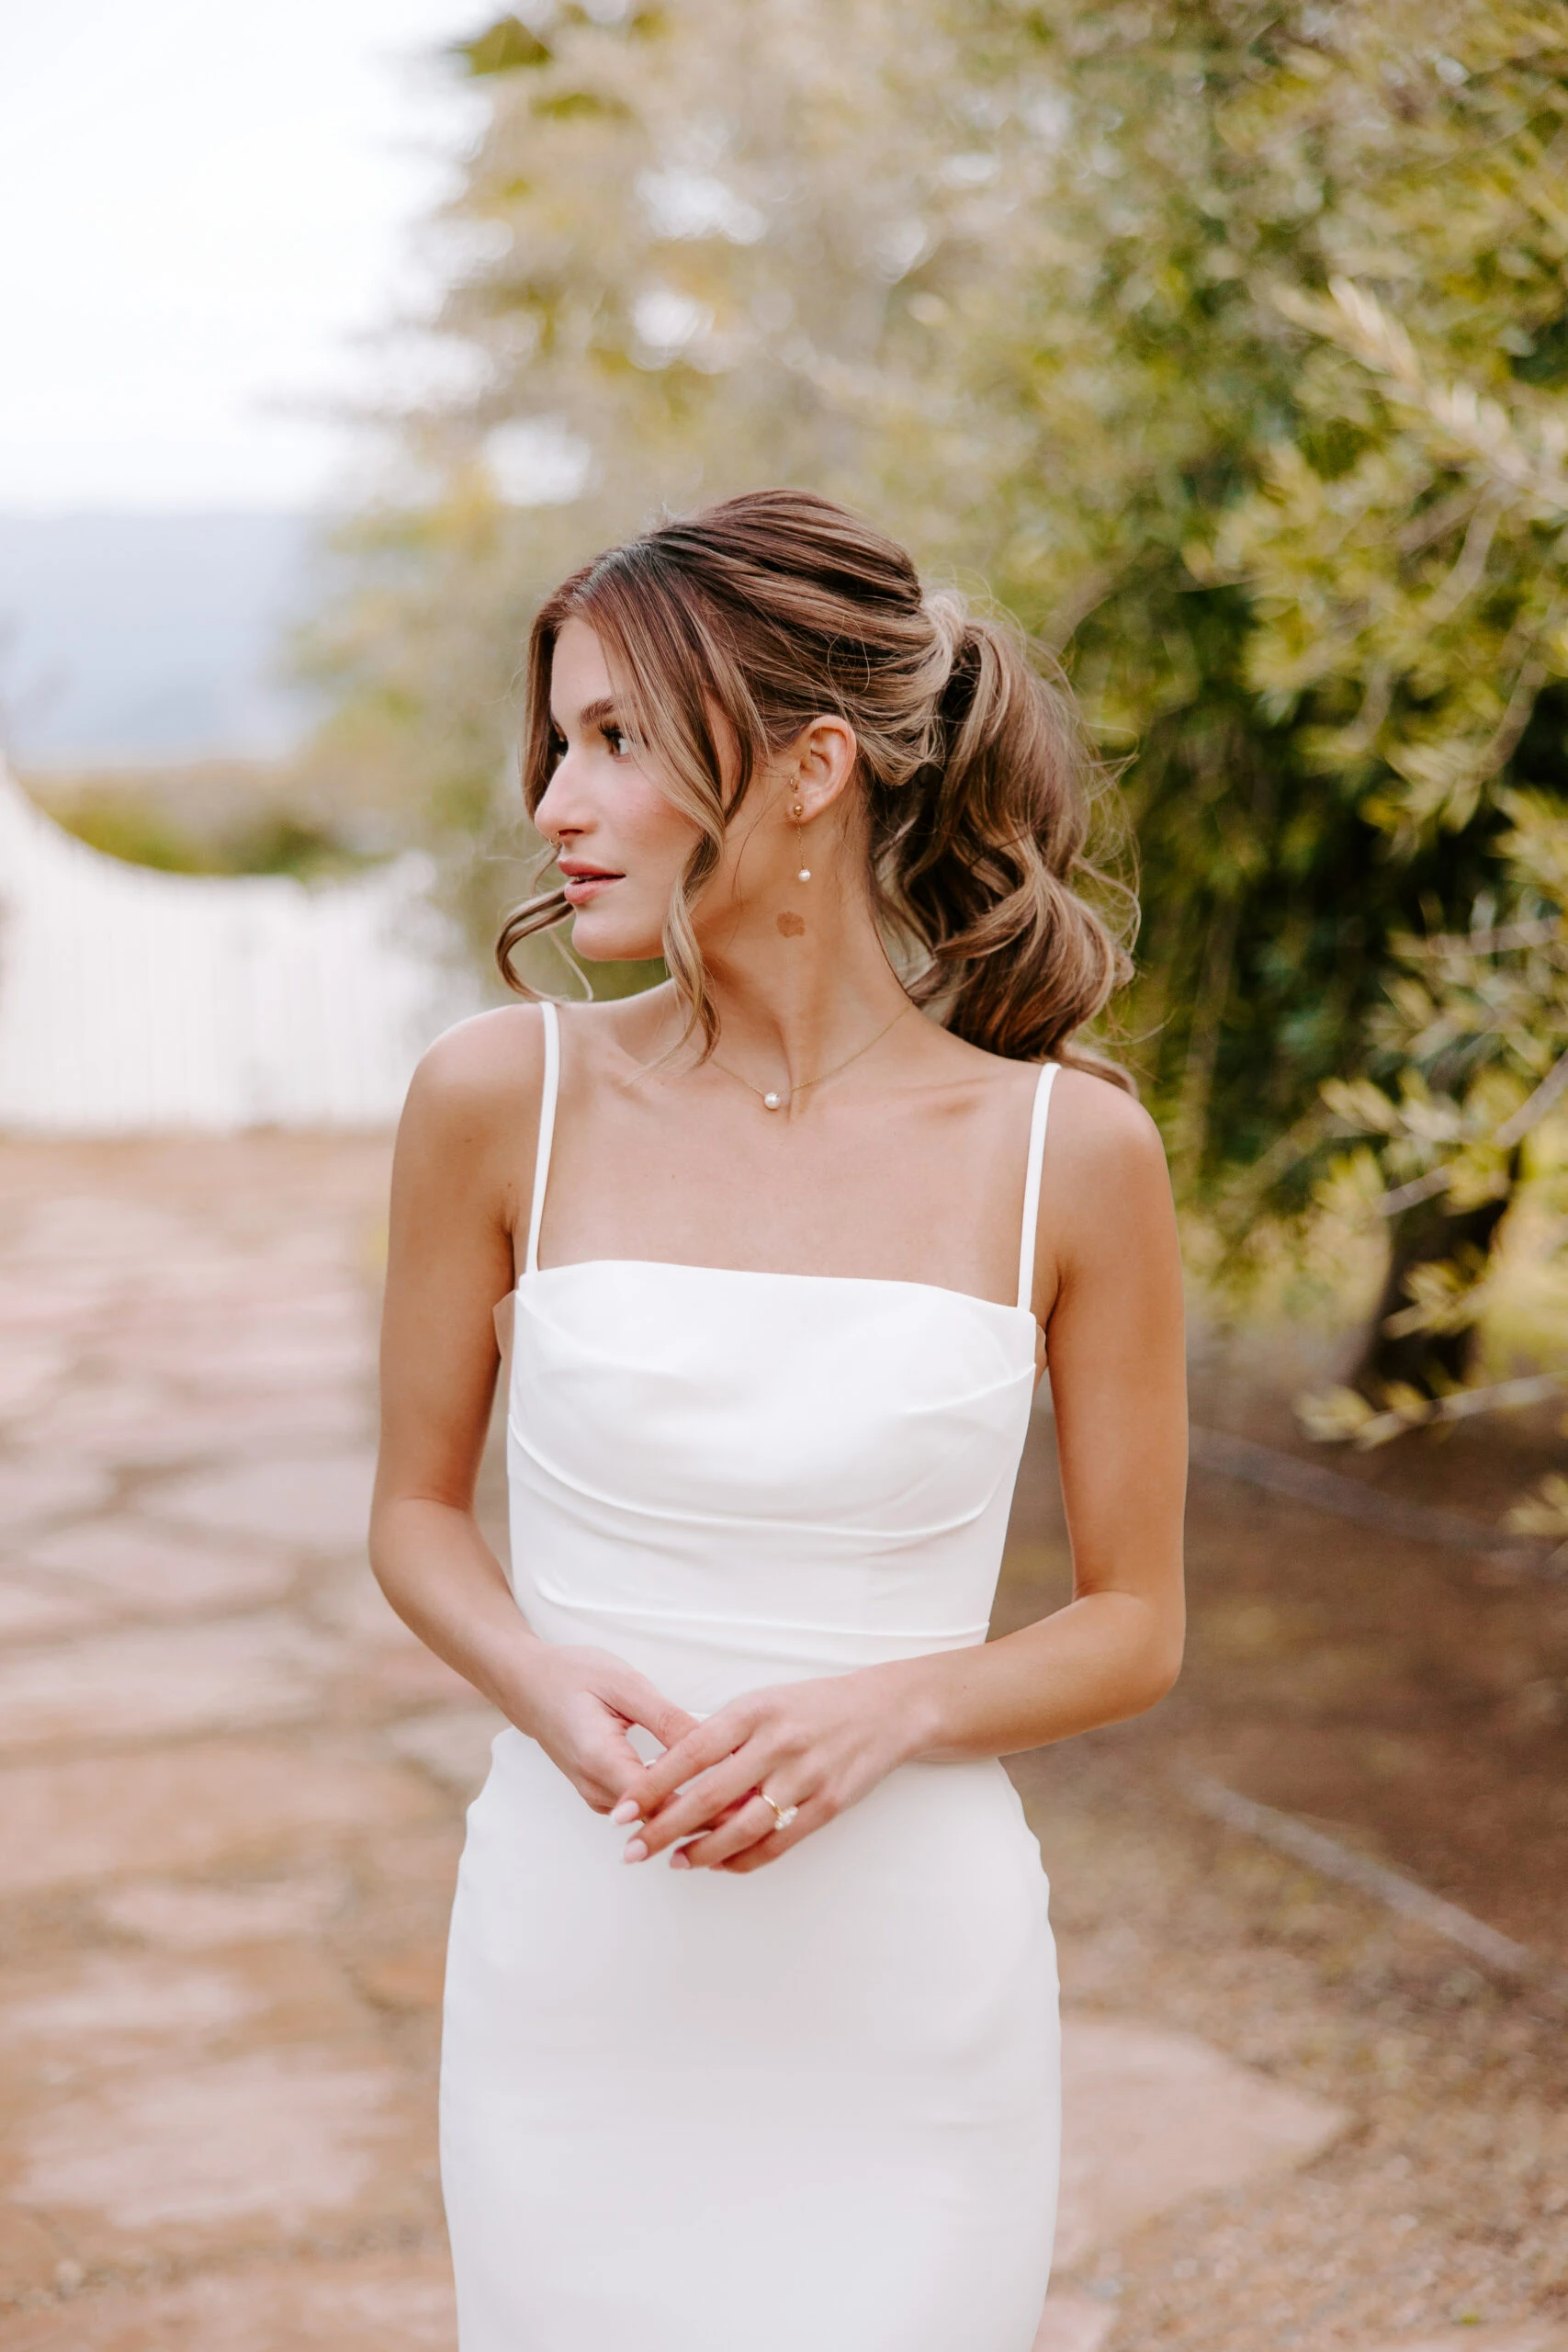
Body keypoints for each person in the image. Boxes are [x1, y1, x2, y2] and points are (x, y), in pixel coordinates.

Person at [370, 489, 1187, 2352]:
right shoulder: (503, 1098)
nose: (556, 805)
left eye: (618, 741)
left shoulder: (1074, 1148)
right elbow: (414, 1512)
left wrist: (891, 1701)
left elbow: (1136, 1619)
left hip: (905, 1988)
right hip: (581, 1956)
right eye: (557, 743)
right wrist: (540, 1678)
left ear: (814, 766)